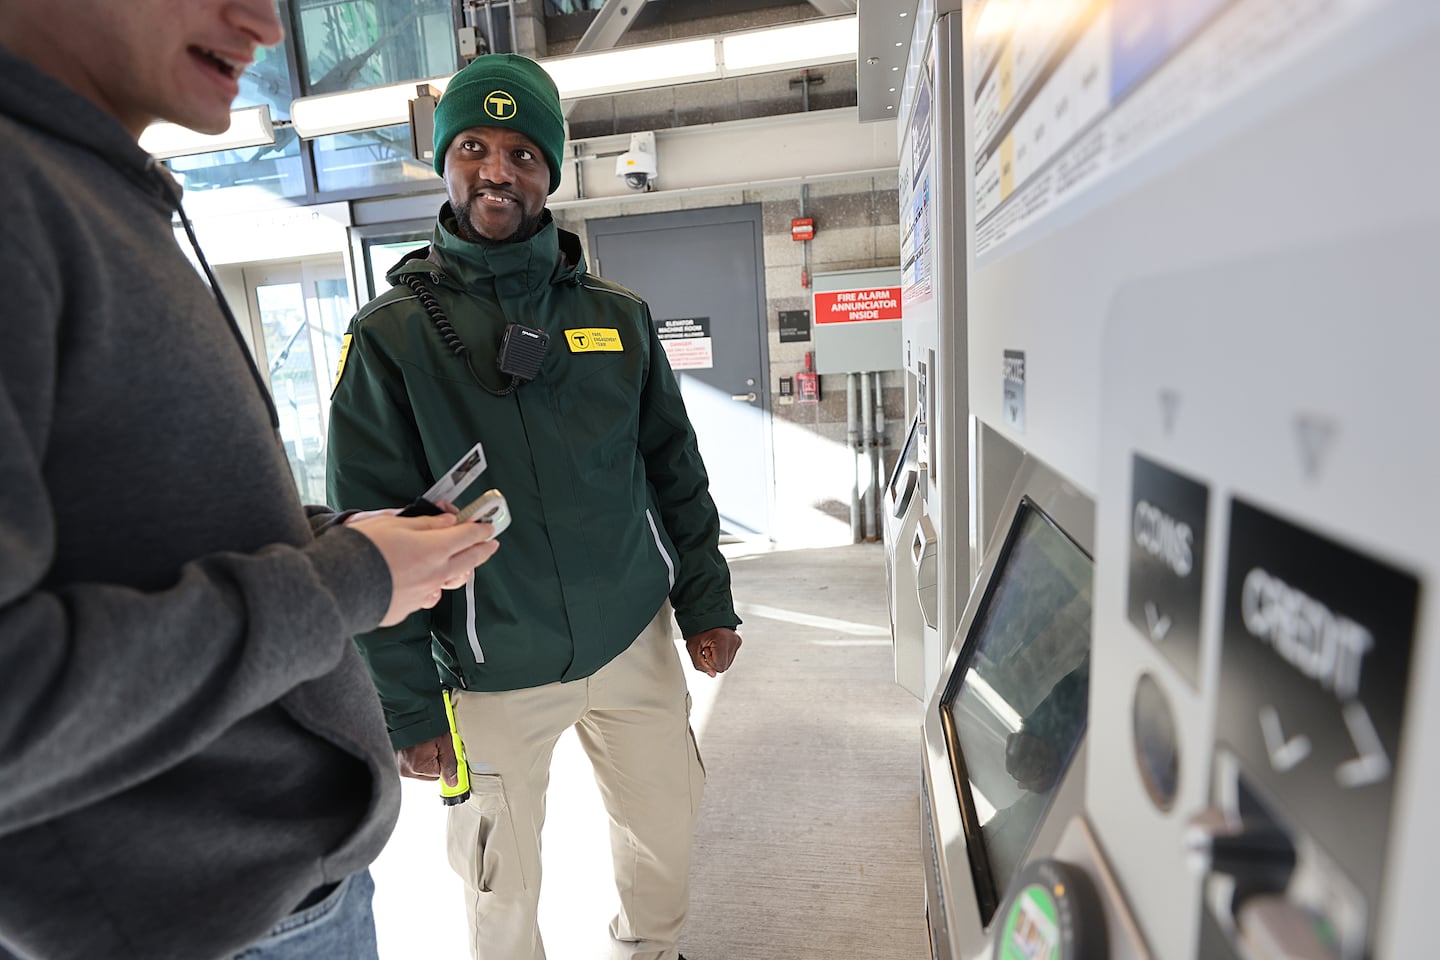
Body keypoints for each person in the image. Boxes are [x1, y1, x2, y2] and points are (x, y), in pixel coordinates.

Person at [0, 2, 501, 958]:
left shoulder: (96, 189)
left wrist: (343, 540)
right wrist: (344, 578)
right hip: (195, 924)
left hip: (284, 888)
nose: (266, 28)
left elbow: (136, 527)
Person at [326, 53, 743, 960]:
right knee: (497, 882)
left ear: (550, 172)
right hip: (489, 667)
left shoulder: (617, 317)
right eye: (473, 146)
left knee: (664, 836)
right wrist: (408, 709)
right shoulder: (392, 338)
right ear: (444, 163)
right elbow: (365, 538)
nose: (497, 169)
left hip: (632, 638)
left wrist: (704, 600)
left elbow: (676, 468)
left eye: (523, 152)